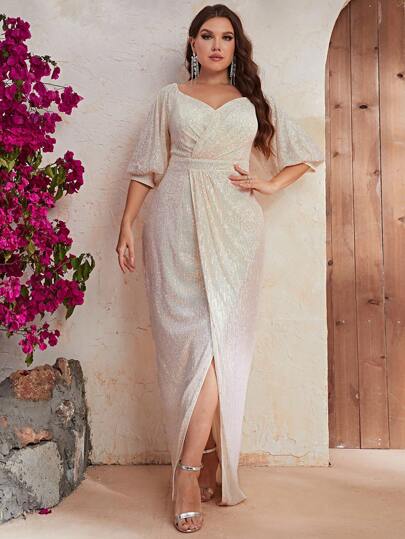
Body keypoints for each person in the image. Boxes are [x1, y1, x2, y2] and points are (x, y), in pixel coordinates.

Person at [116, 3, 324, 533]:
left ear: (236, 46)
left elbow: (304, 154)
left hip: (235, 229)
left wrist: (269, 183)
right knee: (187, 345)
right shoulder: (169, 99)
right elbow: (146, 166)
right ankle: (204, 458)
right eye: (206, 36)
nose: (215, 45)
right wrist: (127, 225)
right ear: (192, 44)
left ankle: (187, 473)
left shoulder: (252, 101)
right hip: (174, 226)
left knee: (219, 345)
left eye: (226, 37)